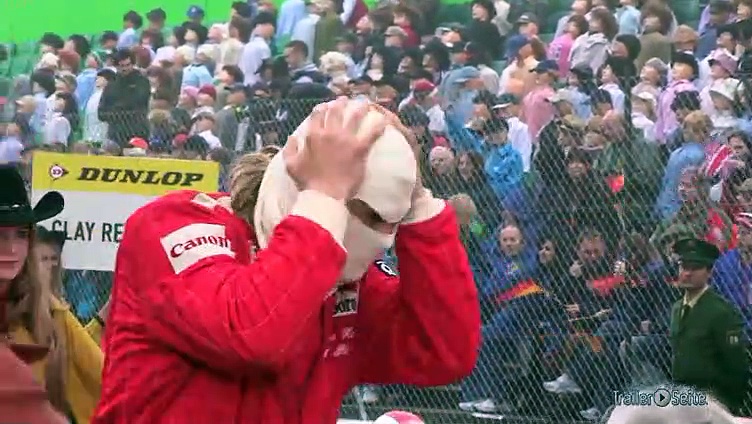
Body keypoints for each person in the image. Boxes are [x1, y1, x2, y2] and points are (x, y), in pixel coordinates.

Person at [93, 98, 481, 423]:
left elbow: (442, 352)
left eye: (389, 220)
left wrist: (418, 207)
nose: (383, 236)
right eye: (368, 214)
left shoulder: (345, 281)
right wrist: (325, 197)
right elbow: (250, 333)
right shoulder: (171, 222)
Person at [0, 165, 101, 423]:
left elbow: (106, 377)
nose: (12, 248)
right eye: (0, 236)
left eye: (21, 235)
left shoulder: (50, 312)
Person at [670, 238, 749, 414]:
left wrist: (726, 405)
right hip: (682, 396)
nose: (687, 273)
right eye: (684, 267)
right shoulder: (677, 309)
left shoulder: (721, 312)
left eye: (695, 268)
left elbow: (736, 366)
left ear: (709, 272)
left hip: (711, 399)